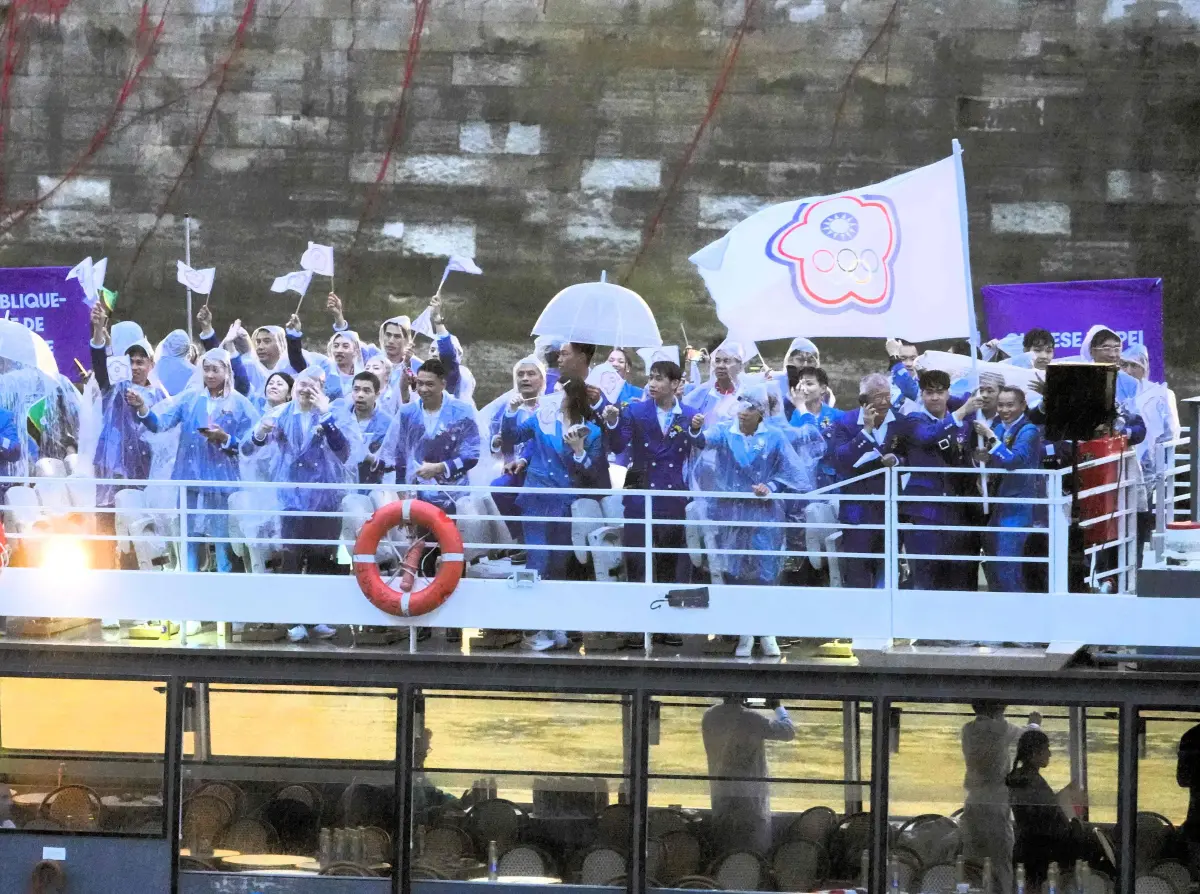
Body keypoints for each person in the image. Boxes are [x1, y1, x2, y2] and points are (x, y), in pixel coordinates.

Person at [689, 382, 814, 657]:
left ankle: (767, 631)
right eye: (741, 405)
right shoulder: (724, 432)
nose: (743, 412)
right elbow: (701, 441)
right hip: (731, 513)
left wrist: (771, 487)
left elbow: (791, 473)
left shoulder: (775, 437)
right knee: (736, 571)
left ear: (761, 413)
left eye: (750, 407)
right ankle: (745, 633)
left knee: (766, 571)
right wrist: (695, 428)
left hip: (765, 514)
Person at [128, 348, 259, 573]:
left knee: (222, 539)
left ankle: (224, 580)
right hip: (188, 479)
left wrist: (226, 439)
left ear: (227, 371)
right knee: (188, 537)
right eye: (206, 369)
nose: (210, 375)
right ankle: (188, 580)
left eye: (215, 370)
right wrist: (141, 406)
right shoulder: (189, 399)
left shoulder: (239, 403)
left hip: (222, 482)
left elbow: (251, 444)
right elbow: (160, 424)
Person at [501, 376, 605, 630]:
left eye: (559, 392)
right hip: (535, 497)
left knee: (559, 562)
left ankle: (556, 624)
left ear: (572, 396)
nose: (553, 396)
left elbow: (592, 473)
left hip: (565, 501)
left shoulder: (592, 431)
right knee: (538, 558)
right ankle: (532, 625)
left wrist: (579, 451)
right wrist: (511, 412)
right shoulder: (541, 418)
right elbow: (512, 436)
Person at [244, 366, 360, 582]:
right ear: (295, 386)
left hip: (325, 500)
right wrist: (261, 431)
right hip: (289, 501)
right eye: (303, 384)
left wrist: (326, 417)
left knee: (322, 561)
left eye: (313, 385)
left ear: (322, 389)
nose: (306, 390)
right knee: (290, 560)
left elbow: (345, 453)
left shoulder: (334, 414)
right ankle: (290, 603)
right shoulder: (279, 414)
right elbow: (248, 449)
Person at [88, 303, 170, 568]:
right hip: (111, 470)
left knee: (138, 532)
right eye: (130, 361)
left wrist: (143, 408)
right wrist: (98, 330)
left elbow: (163, 431)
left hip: (142, 473)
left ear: (150, 364)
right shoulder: (114, 387)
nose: (135, 367)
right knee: (106, 529)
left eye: (140, 362)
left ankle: (134, 580)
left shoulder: (159, 396)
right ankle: (102, 582)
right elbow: (99, 364)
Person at [602, 360, 692, 585]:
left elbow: (698, 450)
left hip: (672, 486)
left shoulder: (690, 414)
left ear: (675, 384)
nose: (652, 383)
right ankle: (635, 601)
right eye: (650, 377)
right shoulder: (634, 410)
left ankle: (666, 600)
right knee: (636, 556)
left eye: (658, 379)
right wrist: (612, 423)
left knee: (668, 558)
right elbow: (618, 446)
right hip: (638, 480)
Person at [896, 371, 981, 591]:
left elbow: (966, 461)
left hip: (957, 511)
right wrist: (961, 411)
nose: (934, 397)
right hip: (924, 512)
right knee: (925, 579)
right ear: (921, 395)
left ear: (948, 393)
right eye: (929, 392)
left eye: (940, 392)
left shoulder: (964, 422)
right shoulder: (914, 420)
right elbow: (928, 436)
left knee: (958, 580)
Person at [829, 373, 904, 589]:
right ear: (864, 399)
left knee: (888, 569)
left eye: (887, 396)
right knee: (857, 571)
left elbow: (910, 454)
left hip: (890, 509)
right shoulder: (845, 421)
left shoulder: (899, 421)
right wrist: (866, 432)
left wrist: (896, 460)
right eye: (878, 397)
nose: (884, 402)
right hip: (857, 511)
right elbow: (840, 459)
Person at [378, 358, 480, 512]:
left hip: (455, 494)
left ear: (443, 384)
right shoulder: (407, 412)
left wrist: (440, 468)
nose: (423, 389)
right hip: (417, 493)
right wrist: (401, 488)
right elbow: (399, 455)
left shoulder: (463, 412)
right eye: (420, 383)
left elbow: (471, 456)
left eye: (430, 384)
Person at [961, 702, 1040, 894]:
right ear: (999, 709)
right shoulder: (1001, 729)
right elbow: (1030, 739)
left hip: (973, 802)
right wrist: (1034, 724)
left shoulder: (968, 730)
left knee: (972, 861)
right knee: (1001, 860)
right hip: (995, 804)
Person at [702, 696, 795, 855]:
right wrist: (777, 707)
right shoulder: (750, 718)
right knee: (752, 849)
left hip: (721, 792)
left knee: (725, 848)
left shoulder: (709, 716)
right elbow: (788, 732)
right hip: (749, 797)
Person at [974, 387, 1045, 592]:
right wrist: (983, 458)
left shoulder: (1029, 431)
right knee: (993, 562)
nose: (1004, 410)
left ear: (1023, 406)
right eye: (1001, 405)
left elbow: (1013, 460)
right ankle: (1000, 603)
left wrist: (989, 435)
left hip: (1019, 505)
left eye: (1010, 405)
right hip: (999, 503)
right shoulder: (998, 428)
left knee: (1008, 563)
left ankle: (1016, 605)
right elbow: (995, 458)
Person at [1007, 728, 1093, 889]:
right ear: (1034, 753)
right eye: (1046, 749)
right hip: (1041, 848)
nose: (1050, 754)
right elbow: (1043, 815)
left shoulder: (1020, 777)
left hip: (1031, 844)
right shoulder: (1030, 781)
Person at [426, 296, 477, 404]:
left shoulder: (453, 375)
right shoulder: (421, 373)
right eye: (432, 350)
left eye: (439, 350)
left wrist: (437, 320)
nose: (435, 354)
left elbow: (447, 355)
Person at [350, 371, 392, 485]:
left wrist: (370, 458)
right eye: (356, 389)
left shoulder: (388, 424)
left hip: (374, 485)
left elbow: (391, 463)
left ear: (377, 394)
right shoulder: (339, 416)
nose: (360, 395)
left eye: (366, 390)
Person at [885, 337, 920, 413]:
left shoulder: (925, 384)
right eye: (902, 359)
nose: (908, 364)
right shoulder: (884, 385)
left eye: (913, 359)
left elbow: (910, 392)